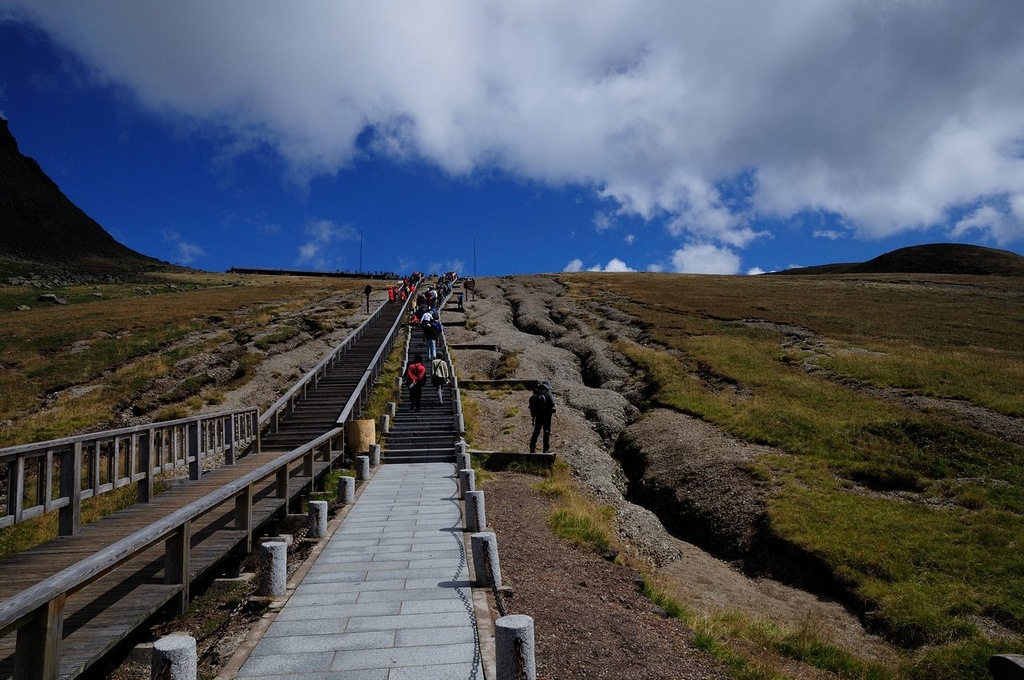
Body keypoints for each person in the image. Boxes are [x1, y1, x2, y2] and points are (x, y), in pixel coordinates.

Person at [528, 381, 556, 453]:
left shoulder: (535, 395)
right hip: (547, 417)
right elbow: (553, 404)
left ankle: (532, 447)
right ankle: (545, 449)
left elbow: (531, 406)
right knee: (546, 431)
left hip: (538, 417)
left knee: (536, 431)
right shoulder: (548, 394)